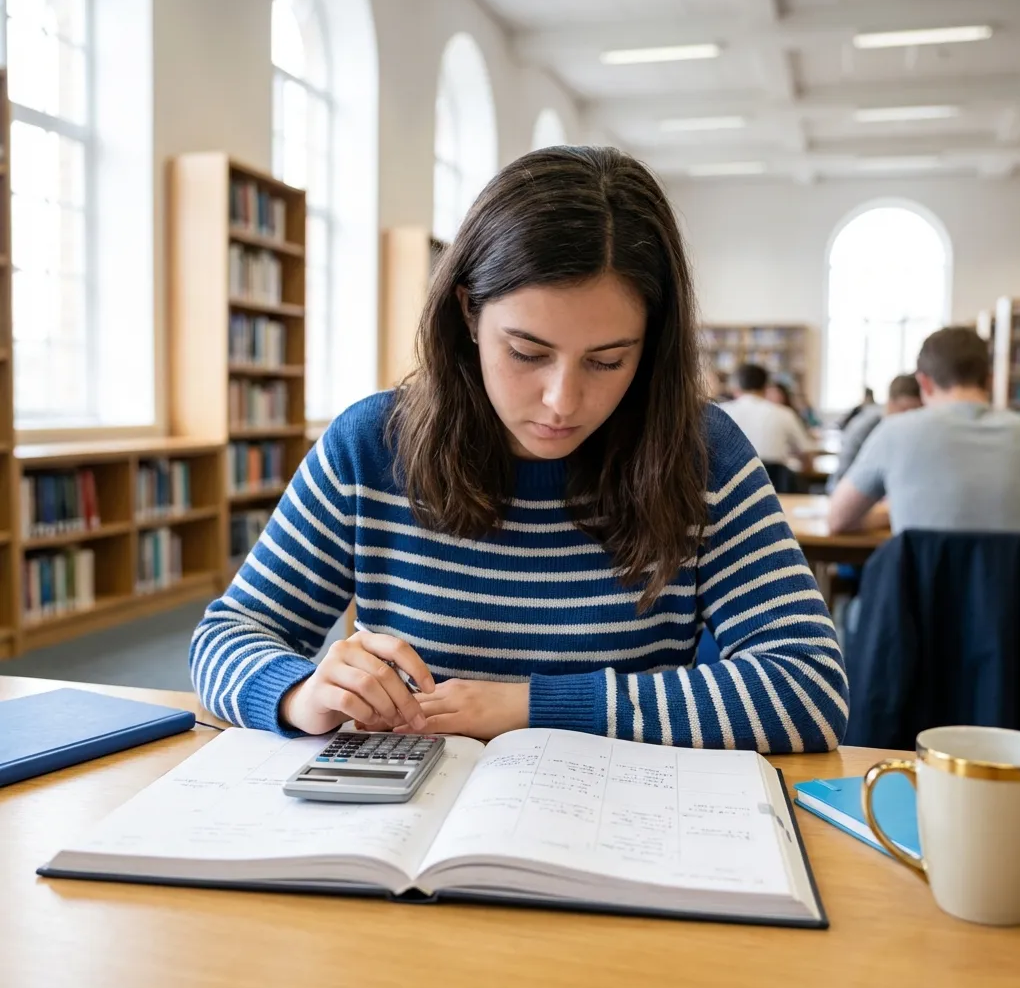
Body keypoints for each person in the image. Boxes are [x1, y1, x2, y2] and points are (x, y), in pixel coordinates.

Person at [190, 146, 846, 753]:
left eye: (607, 361)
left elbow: (809, 685)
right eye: (527, 352)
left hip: (617, 817)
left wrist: (535, 706)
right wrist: (300, 692)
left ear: (651, 345)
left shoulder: (701, 453)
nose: (563, 401)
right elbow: (227, 636)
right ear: (469, 313)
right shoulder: (372, 445)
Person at [829, 327, 1020, 534]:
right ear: (991, 380)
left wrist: (897, 512)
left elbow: (837, 520)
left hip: (920, 556)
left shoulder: (896, 432)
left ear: (924, 382)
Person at [826, 374, 921, 492]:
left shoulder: (909, 432)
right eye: (905, 410)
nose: (911, 418)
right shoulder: (865, 429)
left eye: (917, 412)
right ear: (890, 403)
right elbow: (840, 481)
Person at [721, 363, 815, 476]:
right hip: (775, 483)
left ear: (735, 387)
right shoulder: (784, 413)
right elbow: (806, 456)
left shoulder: (720, 412)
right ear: (766, 387)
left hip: (731, 482)